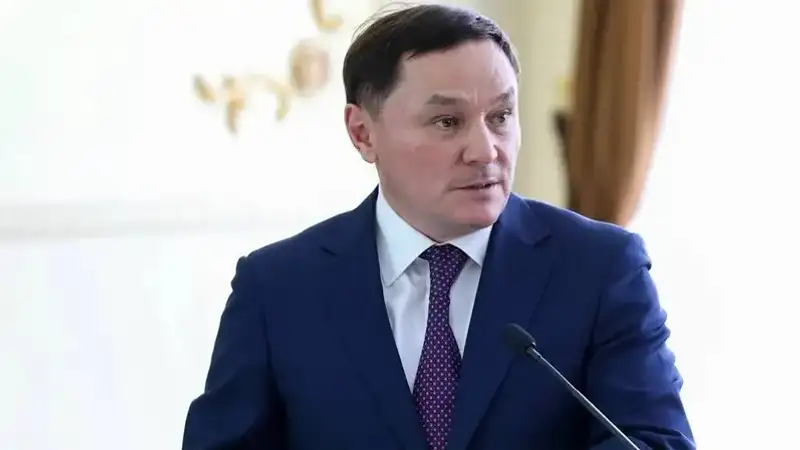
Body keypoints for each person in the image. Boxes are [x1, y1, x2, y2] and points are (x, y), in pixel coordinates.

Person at [182, 4, 695, 450]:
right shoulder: (277, 288)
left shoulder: (600, 268)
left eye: (501, 116)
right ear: (363, 133)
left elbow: (655, 442)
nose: (485, 151)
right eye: (447, 122)